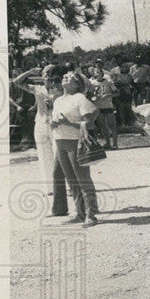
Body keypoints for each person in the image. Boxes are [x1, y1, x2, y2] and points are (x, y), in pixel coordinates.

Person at [12, 65, 69, 215]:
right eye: (45, 74)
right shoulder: (37, 88)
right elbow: (17, 82)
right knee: (44, 156)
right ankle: (49, 187)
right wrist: (30, 71)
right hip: (41, 123)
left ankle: (67, 186)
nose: (47, 77)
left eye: (50, 74)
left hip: (56, 125)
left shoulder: (61, 89)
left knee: (59, 156)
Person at [49, 71, 101, 227]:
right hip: (60, 141)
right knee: (72, 181)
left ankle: (91, 215)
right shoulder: (58, 100)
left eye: (70, 77)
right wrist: (53, 124)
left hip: (75, 142)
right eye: (65, 76)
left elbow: (89, 123)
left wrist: (69, 123)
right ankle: (80, 214)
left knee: (83, 179)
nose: (66, 77)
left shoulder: (80, 98)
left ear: (78, 84)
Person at [87, 61, 118, 149]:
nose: (97, 73)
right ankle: (107, 143)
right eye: (95, 72)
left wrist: (108, 95)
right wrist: (94, 97)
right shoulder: (92, 83)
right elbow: (89, 94)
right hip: (98, 106)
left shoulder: (108, 81)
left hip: (108, 105)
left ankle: (115, 143)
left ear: (102, 73)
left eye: (98, 71)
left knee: (112, 124)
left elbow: (117, 93)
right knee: (103, 125)